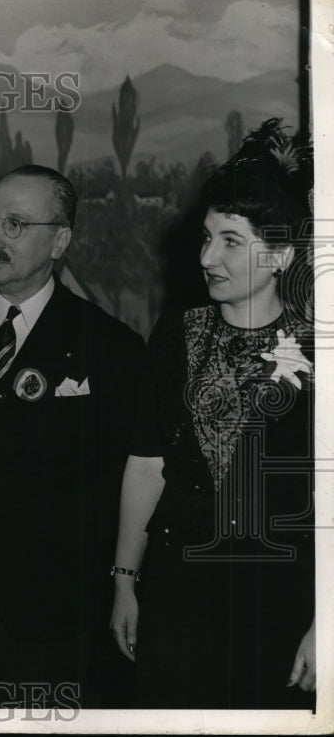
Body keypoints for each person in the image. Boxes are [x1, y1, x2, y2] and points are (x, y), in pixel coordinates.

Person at [0, 165, 145, 708]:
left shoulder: (111, 349)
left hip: (50, 611)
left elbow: (125, 479)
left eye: (16, 225)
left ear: (60, 239)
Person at [109, 119, 315, 709]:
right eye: (205, 237)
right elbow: (147, 463)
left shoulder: (321, 347)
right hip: (178, 589)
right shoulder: (176, 333)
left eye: (230, 240)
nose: (207, 256)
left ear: (279, 252)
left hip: (283, 597)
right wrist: (124, 581)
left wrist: (325, 620)